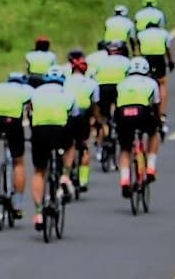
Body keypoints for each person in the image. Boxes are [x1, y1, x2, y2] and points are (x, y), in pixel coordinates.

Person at [29, 69, 78, 227]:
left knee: (39, 171)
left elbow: (29, 113)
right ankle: (65, 174)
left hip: (40, 131)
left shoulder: (35, 92)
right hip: (61, 130)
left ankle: (38, 213)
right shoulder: (68, 93)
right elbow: (75, 116)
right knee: (71, 145)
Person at [0, 72, 33, 217]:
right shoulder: (27, 90)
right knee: (18, 162)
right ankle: (17, 204)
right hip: (13, 121)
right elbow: (30, 111)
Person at [115, 57, 162, 194]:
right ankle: (151, 167)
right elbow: (156, 105)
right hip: (143, 112)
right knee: (153, 133)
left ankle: (124, 180)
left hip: (123, 114)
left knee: (125, 148)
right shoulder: (152, 82)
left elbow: (116, 103)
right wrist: (158, 120)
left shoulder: (121, 83)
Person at [65, 51, 100, 193]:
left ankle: (66, 174)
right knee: (84, 146)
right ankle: (83, 180)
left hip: (68, 116)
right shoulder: (92, 83)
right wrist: (97, 121)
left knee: (69, 146)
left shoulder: (65, 81)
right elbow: (95, 105)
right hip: (84, 116)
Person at [137, 20, 174, 124]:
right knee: (162, 83)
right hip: (159, 59)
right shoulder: (164, 33)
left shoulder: (141, 34)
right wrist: (171, 61)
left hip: (146, 59)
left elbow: (138, 50)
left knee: (144, 83)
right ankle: (162, 113)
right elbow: (168, 49)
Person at [94, 40, 131, 133]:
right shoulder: (126, 61)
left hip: (102, 87)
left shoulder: (101, 61)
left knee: (104, 113)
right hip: (120, 86)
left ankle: (105, 128)